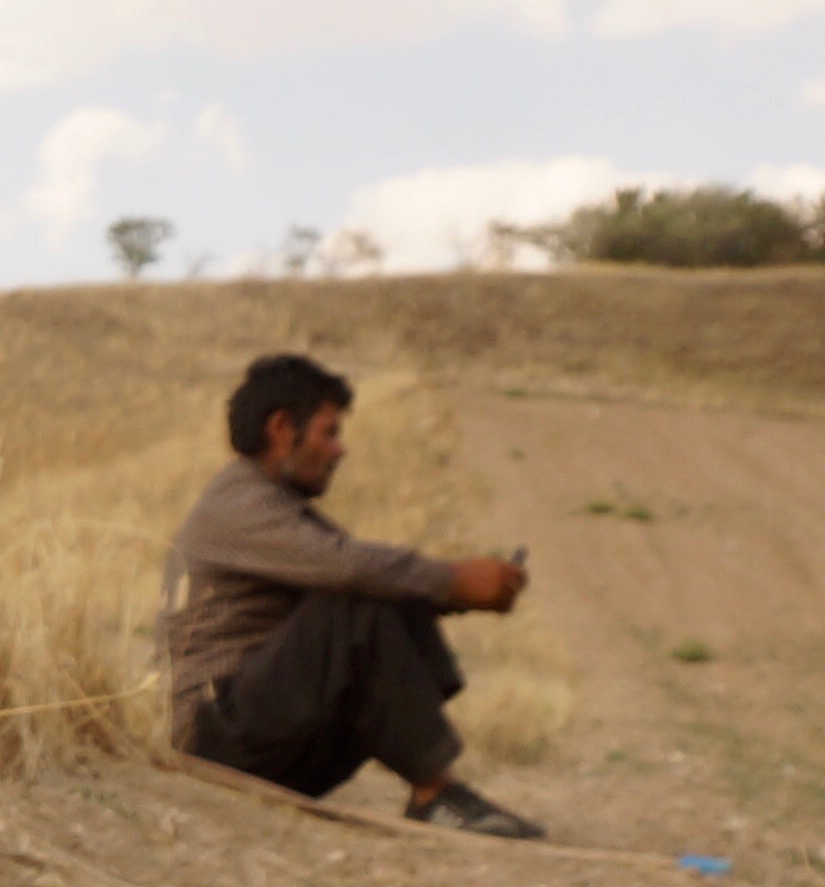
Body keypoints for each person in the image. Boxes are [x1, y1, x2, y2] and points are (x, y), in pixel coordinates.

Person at [164, 351, 543, 837]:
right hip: (214, 741)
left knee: (386, 587)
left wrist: (466, 592)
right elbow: (349, 569)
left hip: (264, 737)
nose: (341, 450)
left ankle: (437, 790)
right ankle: (435, 794)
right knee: (361, 592)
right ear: (281, 429)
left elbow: (368, 572)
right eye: (330, 432)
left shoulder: (273, 505)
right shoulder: (237, 503)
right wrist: (455, 580)